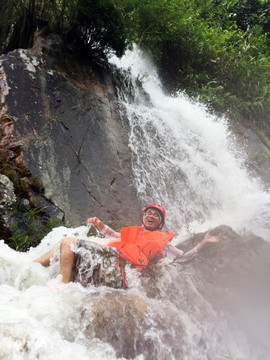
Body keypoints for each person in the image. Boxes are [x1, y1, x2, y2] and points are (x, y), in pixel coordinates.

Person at [34, 203, 220, 287]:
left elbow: (182, 257)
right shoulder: (133, 232)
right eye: (149, 213)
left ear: (160, 223)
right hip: (108, 262)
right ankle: (29, 267)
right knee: (63, 246)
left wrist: (202, 244)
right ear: (143, 216)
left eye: (157, 215)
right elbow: (114, 235)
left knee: (68, 242)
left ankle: (63, 285)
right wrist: (99, 225)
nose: (152, 216)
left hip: (121, 272)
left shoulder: (162, 243)